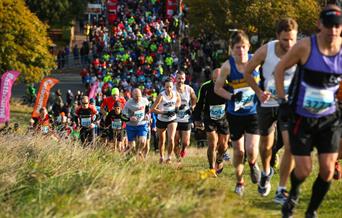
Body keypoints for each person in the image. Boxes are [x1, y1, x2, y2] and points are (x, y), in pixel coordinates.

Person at [274, 5, 342, 217]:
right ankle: (293, 193)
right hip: (302, 118)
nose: (332, 30)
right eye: (328, 25)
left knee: (328, 170)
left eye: (337, 26)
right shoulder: (305, 47)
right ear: (319, 25)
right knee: (303, 170)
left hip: (329, 119)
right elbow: (279, 69)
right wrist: (283, 100)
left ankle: (311, 211)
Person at [243, 18, 298, 202]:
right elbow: (247, 72)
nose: (289, 44)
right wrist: (259, 92)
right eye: (284, 40)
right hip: (267, 105)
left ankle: (281, 190)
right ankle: (266, 172)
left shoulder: (300, 50)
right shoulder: (267, 50)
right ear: (277, 36)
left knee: (290, 146)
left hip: (288, 105)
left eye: (292, 39)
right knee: (266, 147)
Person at [214, 30, 261, 196]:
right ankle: (240, 182)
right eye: (237, 48)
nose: (241, 51)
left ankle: (253, 164)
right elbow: (217, 88)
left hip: (254, 112)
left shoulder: (256, 60)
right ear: (231, 49)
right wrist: (232, 95)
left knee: (251, 149)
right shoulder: (227, 66)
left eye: (243, 47)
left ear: (248, 47)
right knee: (239, 152)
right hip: (235, 114)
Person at [193, 68, 230, 177]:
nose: (217, 81)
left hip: (224, 119)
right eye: (215, 79)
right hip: (209, 118)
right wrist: (197, 118)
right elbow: (199, 104)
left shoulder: (229, 86)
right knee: (212, 143)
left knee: (223, 145)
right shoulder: (205, 87)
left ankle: (219, 159)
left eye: (220, 78)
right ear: (212, 78)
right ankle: (211, 168)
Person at [150, 78, 181, 163]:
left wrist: (177, 107)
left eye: (170, 87)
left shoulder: (176, 94)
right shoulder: (161, 96)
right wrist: (164, 112)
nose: (169, 89)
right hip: (161, 119)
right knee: (162, 140)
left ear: (172, 86)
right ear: (164, 87)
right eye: (167, 87)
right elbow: (152, 109)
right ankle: (161, 156)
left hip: (172, 119)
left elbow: (179, 101)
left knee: (171, 139)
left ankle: (169, 157)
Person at [174, 71, 197, 159]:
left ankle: (183, 149)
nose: (180, 80)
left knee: (185, 142)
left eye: (182, 78)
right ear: (176, 79)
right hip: (174, 118)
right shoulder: (171, 89)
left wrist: (192, 107)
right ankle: (178, 159)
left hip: (186, 118)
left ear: (185, 79)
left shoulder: (189, 89)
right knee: (175, 140)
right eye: (179, 78)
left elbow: (194, 99)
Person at [122, 88, 150, 159]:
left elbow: (148, 110)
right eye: (136, 96)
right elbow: (122, 116)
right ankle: (132, 157)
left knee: (143, 142)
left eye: (139, 96)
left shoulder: (145, 100)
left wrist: (147, 115)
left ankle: (138, 152)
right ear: (132, 96)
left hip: (142, 124)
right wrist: (129, 118)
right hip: (131, 126)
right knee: (132, 147)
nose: (138, 98)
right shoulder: (128, 103)